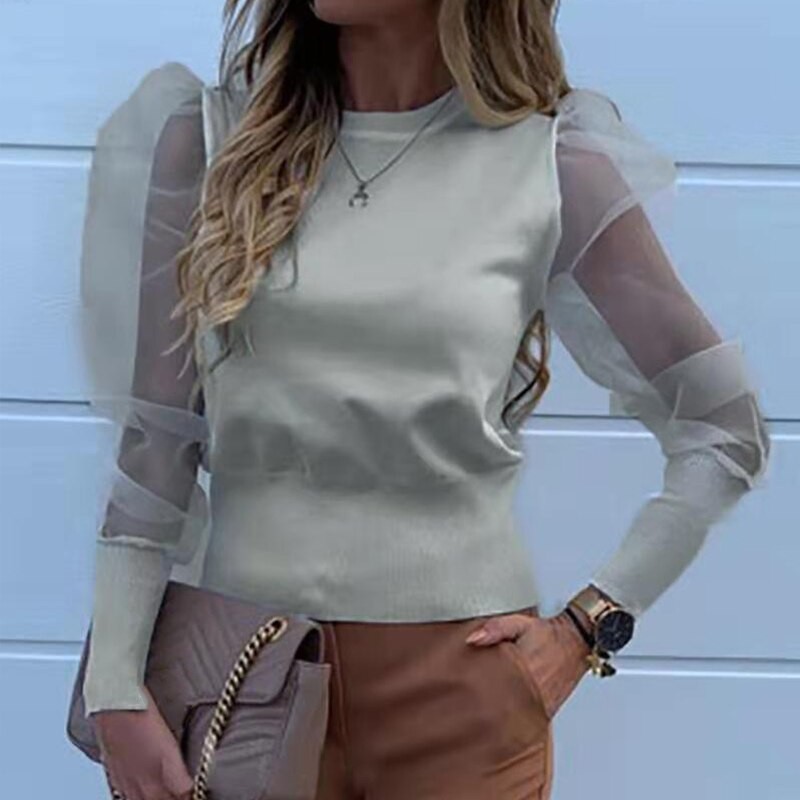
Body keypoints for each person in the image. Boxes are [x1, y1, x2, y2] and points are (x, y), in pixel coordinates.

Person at [76, 1, 772, 798]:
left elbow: (725, 429)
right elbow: (157, 439)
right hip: (244, 682)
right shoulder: (211, 143)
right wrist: (113, 684)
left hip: (463, 696)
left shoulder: (548, 166)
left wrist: (588, 626)